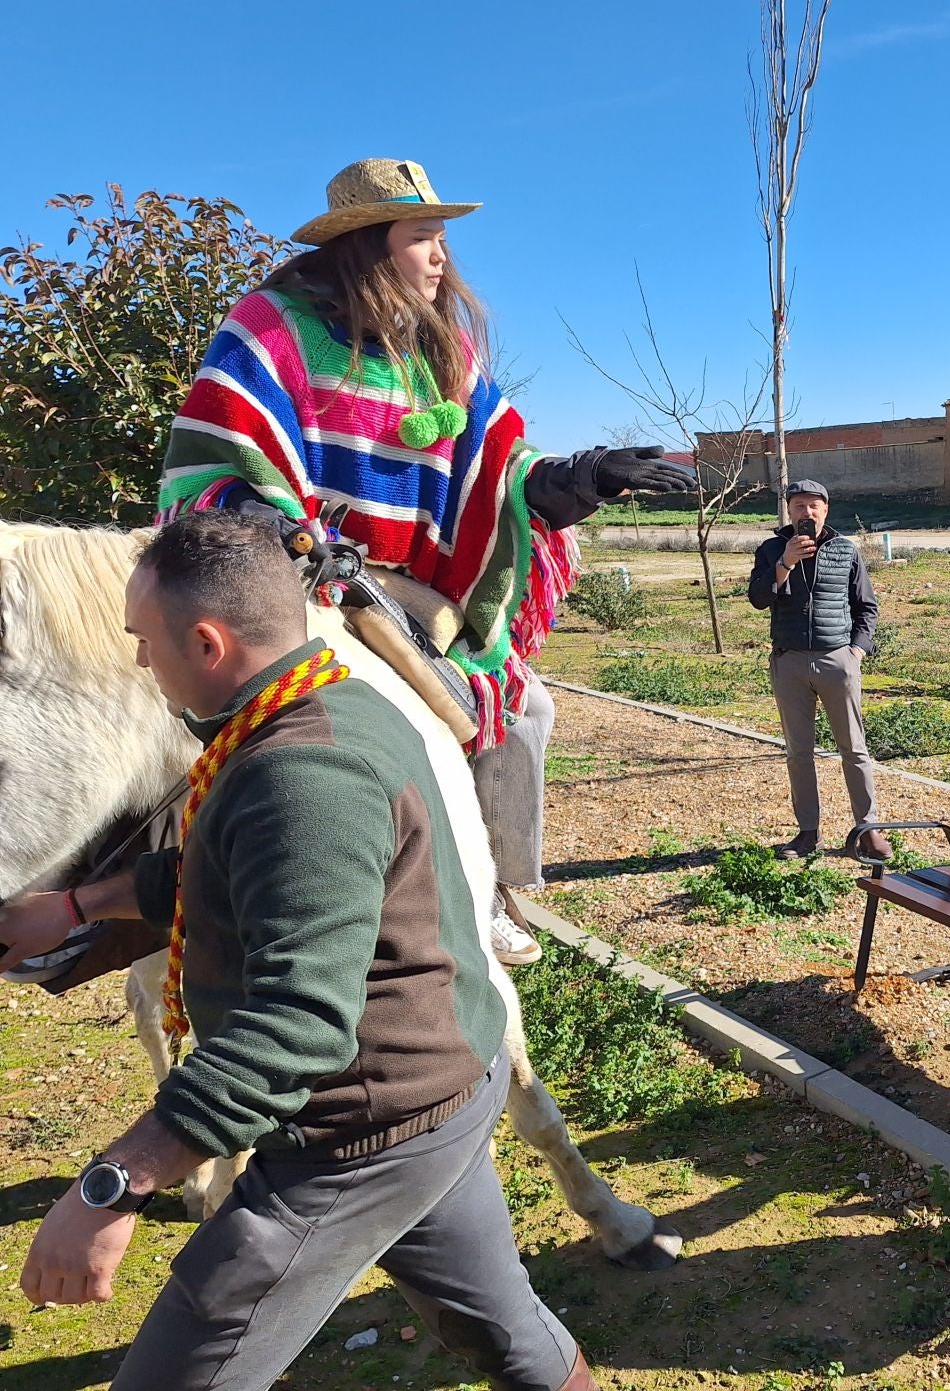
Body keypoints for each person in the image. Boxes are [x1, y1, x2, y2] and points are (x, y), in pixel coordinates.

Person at [0, 512, 594, 1389]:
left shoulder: (302, 771)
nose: (135, 661)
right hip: (442, 1084)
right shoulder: (321, 698)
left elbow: (298, 1027)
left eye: (141, 639)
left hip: (357, 1130)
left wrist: (116, 1183)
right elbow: (253, 871)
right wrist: (85, 903)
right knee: (507, 1334)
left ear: (206, 642)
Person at [158, 157, 694, 966]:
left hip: (402, 594)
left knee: (525, 710)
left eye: (443, 238)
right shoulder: (271, 329)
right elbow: (211, 462)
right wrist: (287, 533)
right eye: (423, 237)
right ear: (369, 246)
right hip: (294, 584)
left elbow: (502, 467)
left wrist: (583, 476)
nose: (442, 257)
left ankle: (492, 886)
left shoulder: (440, 352)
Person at [746, 479, 889, 860]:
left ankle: (869, 828)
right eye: (798, 506)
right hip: (789, 661)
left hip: (837, 660)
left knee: (854, 749)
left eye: (813, 506)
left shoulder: (846, 549)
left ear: (825, 510)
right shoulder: (771, 549)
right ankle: (808, 833)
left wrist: (856, 651)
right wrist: (785, 563)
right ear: (788, 511)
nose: (806, 513)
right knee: (798, 752)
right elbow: (758, 599)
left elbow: (866, 607)